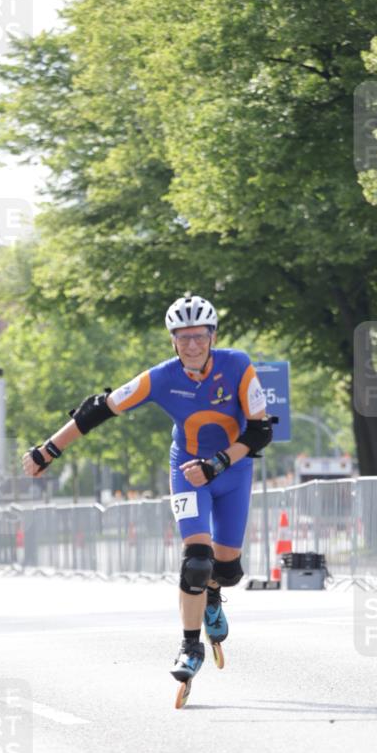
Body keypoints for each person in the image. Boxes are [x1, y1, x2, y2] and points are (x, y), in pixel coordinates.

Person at [22, 294, 273, 688]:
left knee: (227, 571)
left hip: (231, 471)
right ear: (173, 340)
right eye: (183, 338)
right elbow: (99, 408)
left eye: (200, 337)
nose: (192, 346)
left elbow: (260, 431)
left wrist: (217, 464)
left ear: (213, 336)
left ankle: (211, 596)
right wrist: (48, 449)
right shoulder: (161, 377)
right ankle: (191, 646)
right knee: (196, 561)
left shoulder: (238, 365)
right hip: (186, 472)